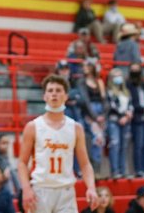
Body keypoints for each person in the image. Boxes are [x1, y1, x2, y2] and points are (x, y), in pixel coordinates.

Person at [18, 74, 98, 213]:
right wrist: (26, 189)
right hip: (41, 189)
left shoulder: (76, 128)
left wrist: (91, 187)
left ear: (66, 96)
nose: (54, 94)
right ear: (44, 96)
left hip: (66, 190)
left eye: (58, 90)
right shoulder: (33, 126)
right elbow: (22, 163)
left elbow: (85, 164)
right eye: (50, 90)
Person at [77, 61, 107, 176]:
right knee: (89, 141)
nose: (85, 68)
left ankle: (97, 170)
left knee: (99, 141)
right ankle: (88, 170)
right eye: (84, 66)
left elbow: (104, 100)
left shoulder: (99, 82)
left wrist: (103, 115)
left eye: (87, 66)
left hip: (100, 113)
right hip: (89, 113)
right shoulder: (82, 82)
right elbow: (85, 100)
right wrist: (94, 117)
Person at [127, 63, 144, 177]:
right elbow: (132, 103)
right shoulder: (128, 85)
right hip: (137, 119)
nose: (135, 72)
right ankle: (138, 170)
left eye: (137, 70)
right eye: (133, 70)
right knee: (138, 145)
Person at [106, 68, 132, 178]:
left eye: (120, 75)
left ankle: (123, 170)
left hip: (126, 121)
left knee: (124, 146)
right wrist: (123, 115)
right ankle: (115, 171)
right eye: (115, 76)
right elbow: (112, 106)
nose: (118, 78)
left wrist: (128, 115)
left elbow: (130, 104)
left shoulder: (126, 92)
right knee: (115, 144)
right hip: (114, 121)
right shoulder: (109, 92)